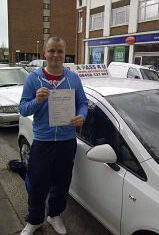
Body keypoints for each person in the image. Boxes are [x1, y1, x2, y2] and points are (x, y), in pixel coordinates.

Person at [19, 36, 88, 235]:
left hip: (67, 141)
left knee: (62, 182)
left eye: (59, 51)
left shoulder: (73, 78)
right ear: (45, 54)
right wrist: (37, 102)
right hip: (43, 141)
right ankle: (34, 220)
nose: (55, 55)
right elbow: (23, 109)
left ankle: (54, 215)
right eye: (52, 51)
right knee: (38, 183)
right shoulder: (33, 78)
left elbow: (82, 102)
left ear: (64, 54)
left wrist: (81, 116)